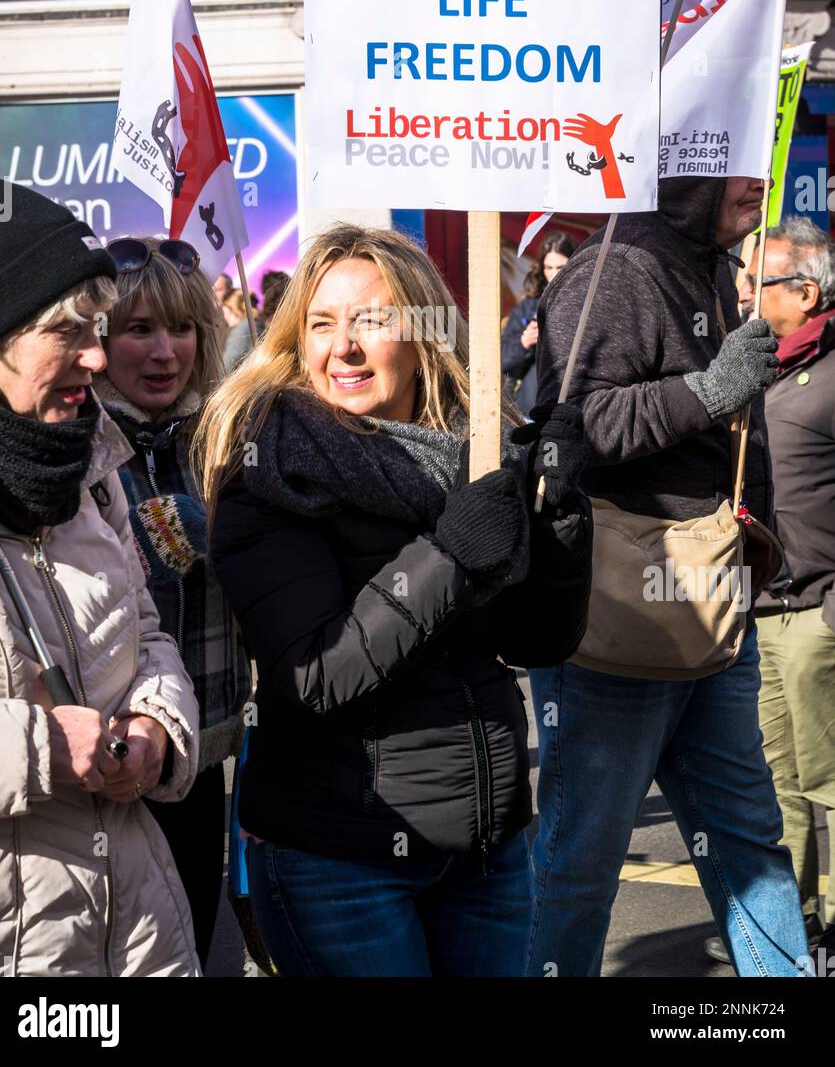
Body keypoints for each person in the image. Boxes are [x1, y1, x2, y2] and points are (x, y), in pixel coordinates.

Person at [196, 223, 592, 978]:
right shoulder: (270, 467)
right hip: (340, 864)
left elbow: (537, 640)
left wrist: (561, 515)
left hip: (490, 852)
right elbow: (317, 673)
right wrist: (446, 554)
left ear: (424, 336)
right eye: (320, 323)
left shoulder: (475, 450)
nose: (342, 346)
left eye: (371, 320)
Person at [526, 175, 809, 978]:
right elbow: (574, 425)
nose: (756, 182)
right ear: (679, 165)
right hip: (624, 609)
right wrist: (709, 389)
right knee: (583, 858)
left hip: (710, 604)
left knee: (748, 841)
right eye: (731, 164)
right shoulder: (614, 268)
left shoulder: (711, 261)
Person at [0, 186, 201, 977]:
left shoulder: (90, 466)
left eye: (97, 330)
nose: (97, 359)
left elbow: (147, 632)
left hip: (133, 929)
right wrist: (37, 746)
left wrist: (155, 730)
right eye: (66, 333)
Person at [94, 235, 252, 969]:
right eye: (139, 329)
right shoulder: (69, 444)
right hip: (98, 760)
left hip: (203, 749)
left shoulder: (224, 436)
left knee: (191, 936)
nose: (165, 352)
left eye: (182, 328)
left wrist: (228, 532)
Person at [702, 217, 835, 962]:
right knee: (774, 787)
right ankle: (793, 928)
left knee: (833, 783)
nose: (743, 292)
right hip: (764, 610)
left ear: (806, 292)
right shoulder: (759, 368)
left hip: (819, 612)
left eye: (758, 281)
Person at [502, 232, 577, 416]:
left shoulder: (589, 302)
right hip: (532, 409)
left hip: (576, 406)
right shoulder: (528, 307)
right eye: (548, 267)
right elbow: (504, 361)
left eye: (560, 267)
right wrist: (524, 343)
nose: (553, 274)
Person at [222, 288, 259, 375]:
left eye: (224, 312)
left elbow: (228, 364)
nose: (224, 317)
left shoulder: (242, 329)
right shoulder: (252, 324)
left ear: (231, 309)